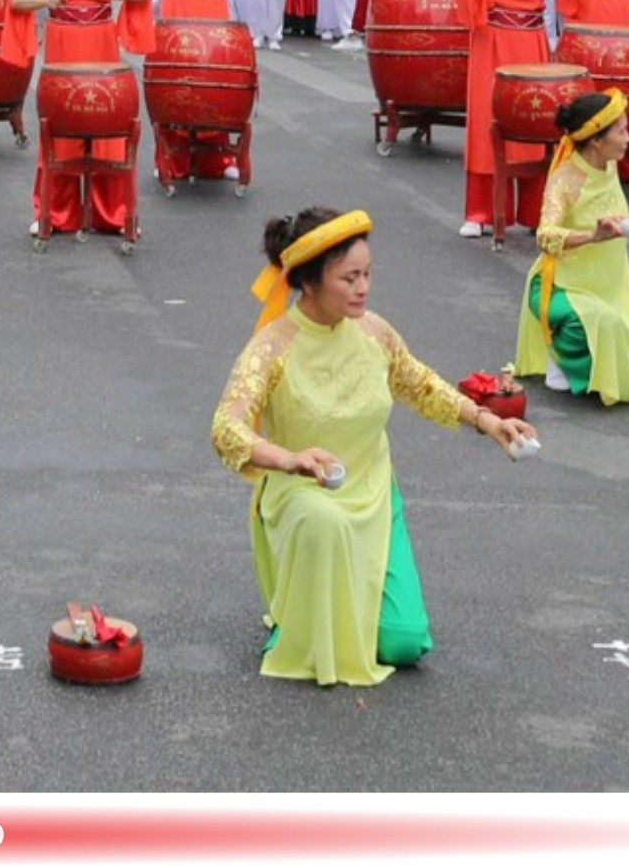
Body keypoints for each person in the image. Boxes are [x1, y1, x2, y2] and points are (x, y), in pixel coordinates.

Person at [209, 207, 539, 688]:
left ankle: (335, 607)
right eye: (349, 278)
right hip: (303, 499)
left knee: (404, 642)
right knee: (322, 522)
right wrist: (290, 460)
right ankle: (295, 620)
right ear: (311, 280)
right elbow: (226, 426)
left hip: (372, 496)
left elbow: (419, 384)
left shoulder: (375, 333)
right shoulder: (272, 346)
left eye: (367, 274)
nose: (363, 287)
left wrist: (489, 421)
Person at [4, 0, 154, 243]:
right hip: (63, 42)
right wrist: (46, 2)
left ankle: (113, 213)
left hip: (101, 41)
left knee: (106, 123)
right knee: (60, 123)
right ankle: (54, 212)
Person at [455, 0, 583, 237]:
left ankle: (533, 210)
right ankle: (480, 211)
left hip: (531, 42)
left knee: (534, 118)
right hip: (492, 41)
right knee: (487, 117)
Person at [516, 91, 629, 405]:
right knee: (602, 322)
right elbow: (545, 235)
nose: (628, 137)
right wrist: (591, 237)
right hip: (559, 288)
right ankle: (558, 355)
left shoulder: (608, 166)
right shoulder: (565, 181)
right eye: (620, 131)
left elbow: (604, 215)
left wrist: (628, 221)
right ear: (597, 140)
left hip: (604, 285)